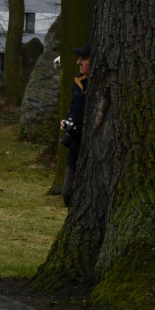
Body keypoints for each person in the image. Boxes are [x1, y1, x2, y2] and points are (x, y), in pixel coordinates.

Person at [60, 42, 90, 207]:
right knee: (68, 194)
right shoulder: (79, 82)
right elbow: (74, 108)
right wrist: (67, 120)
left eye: (84, 58)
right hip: (76, 147)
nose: (79, 62)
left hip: (95, 150)